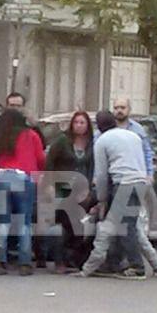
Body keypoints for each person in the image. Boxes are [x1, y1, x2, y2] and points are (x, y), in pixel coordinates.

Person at [76, 111, 157, 280]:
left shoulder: (102, 141)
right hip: (140, 182)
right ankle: (126, 263)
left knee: (123, 227)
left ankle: (136, 266)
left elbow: (101, 174)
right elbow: (144, 160)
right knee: (130, 225)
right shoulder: (133, 136)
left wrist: (101, 198)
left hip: (123, 183)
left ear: (99, 126)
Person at [0, 109, 45, 276]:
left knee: (3, 221)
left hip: (0, 177)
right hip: (22, 178)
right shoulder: (31, 135)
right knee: (24, 222)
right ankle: (25, 263)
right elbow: (41, 158)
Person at [43, 111, 96, 274]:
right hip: (62, 188)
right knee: (63, 224)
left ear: (87, 126)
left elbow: (92, 166)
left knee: (78, 225)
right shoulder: (62, 141)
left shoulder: (91, 144)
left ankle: (73, 258)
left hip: (81, 190)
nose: (79, 126)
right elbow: (49, 163)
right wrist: (49, 185)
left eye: (82, 123)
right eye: (76, 122)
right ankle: (60, 260)